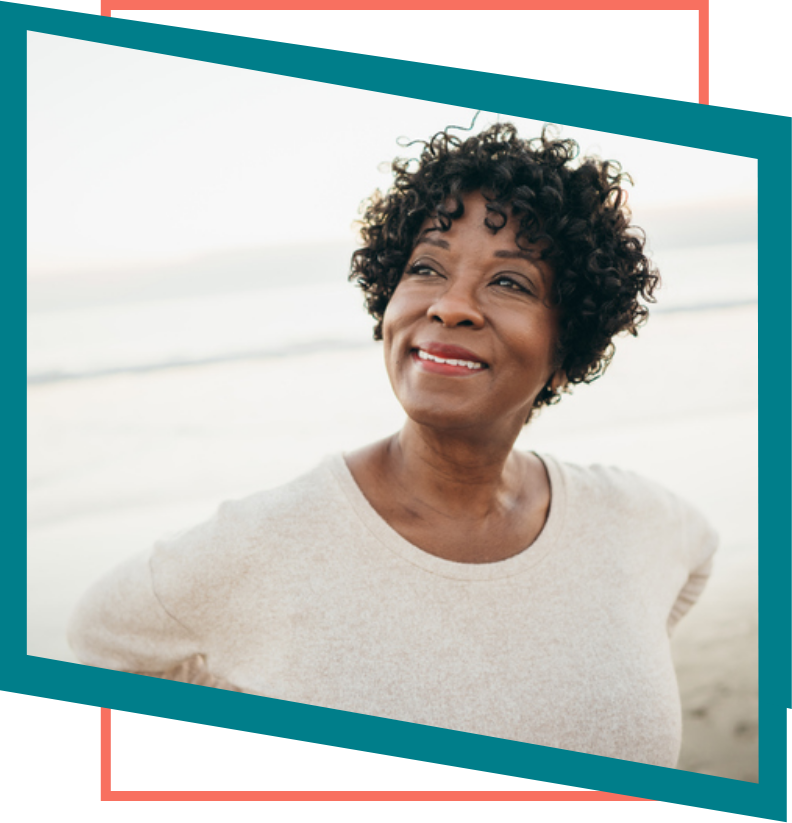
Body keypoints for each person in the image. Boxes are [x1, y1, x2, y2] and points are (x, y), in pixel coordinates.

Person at [68, 122, 718, 768]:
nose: (451, 304)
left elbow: (696, 555)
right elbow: (100, 637)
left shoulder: (640, 518)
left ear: (566, 354)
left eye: (510, 282)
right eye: (427, 267)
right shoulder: (270, 541)